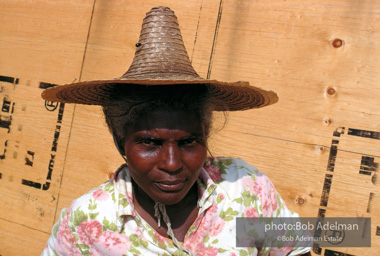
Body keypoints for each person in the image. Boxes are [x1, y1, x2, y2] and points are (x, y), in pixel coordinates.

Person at [41, 6, 311, 256]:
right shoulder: (88, 223)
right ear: (120, 141)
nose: (171, 163)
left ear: (206, 134)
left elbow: (294, 249)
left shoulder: (243, 189)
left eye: (189, 141)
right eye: (150, 142)